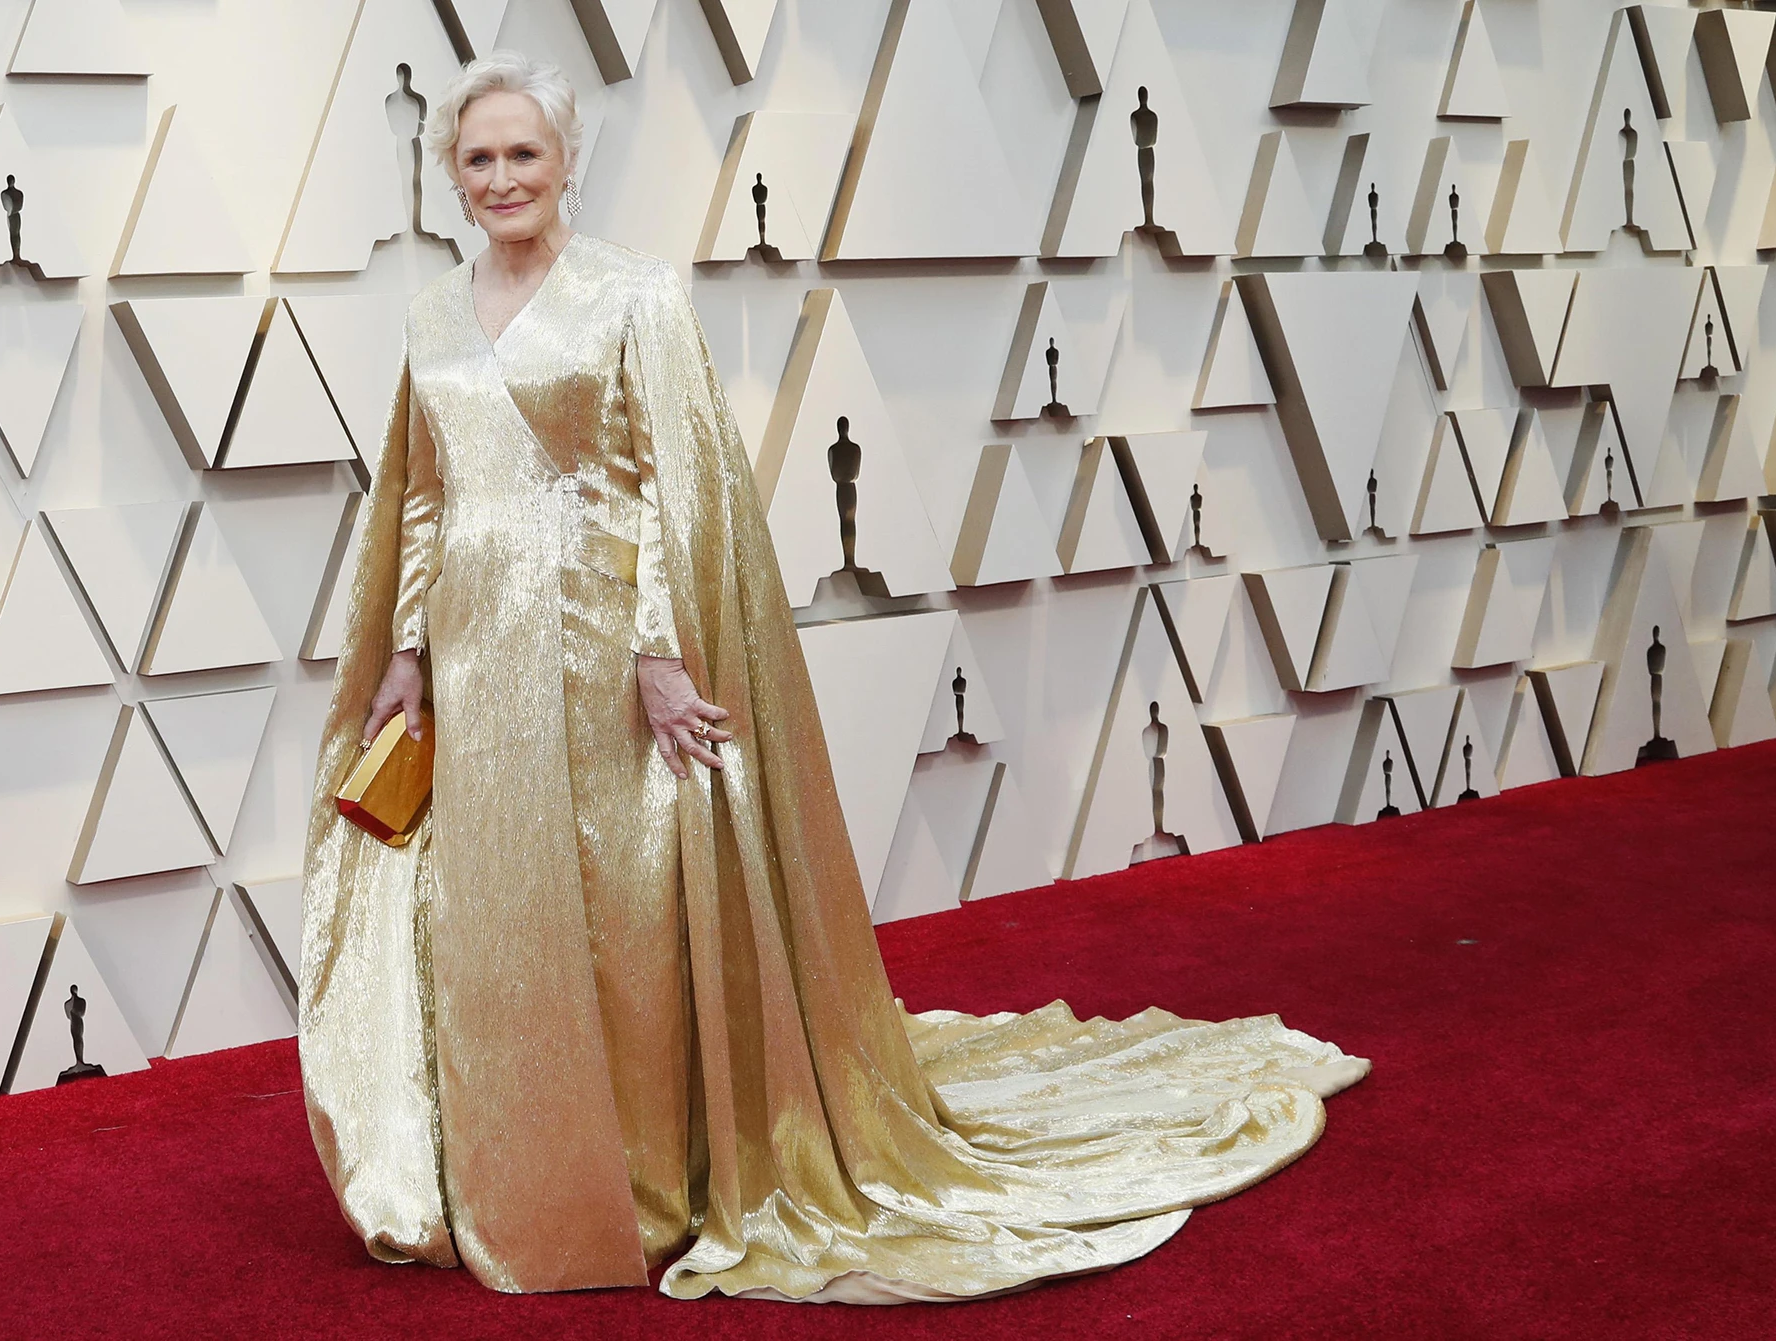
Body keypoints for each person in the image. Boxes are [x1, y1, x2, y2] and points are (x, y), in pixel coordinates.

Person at [299, 50, 1366, 1306]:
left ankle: (644, 1179)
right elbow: (424, 496)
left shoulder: (634, 295)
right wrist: (409, 656)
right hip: (477, 657)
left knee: (617, 921)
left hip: (597, 651)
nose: (500, 177)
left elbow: (675, 487)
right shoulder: (431, 316)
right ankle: (514, 1173)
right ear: (450, 175)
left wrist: (655, 655)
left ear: (567, 159)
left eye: (521, 153)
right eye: (477, 158)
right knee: (502, 929)